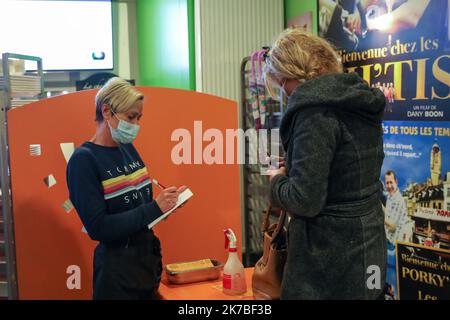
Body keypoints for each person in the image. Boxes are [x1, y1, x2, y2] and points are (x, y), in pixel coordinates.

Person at [264, 28, 387, 299]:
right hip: (370, 247)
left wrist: (277, 181)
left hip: (329, 261)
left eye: (282, 81)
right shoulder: (358, 98)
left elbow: (305, 200)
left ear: (294, 74)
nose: (283, 90)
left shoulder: (314, 111)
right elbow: (345, 167)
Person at [66, 77, 186, 300]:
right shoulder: (83, 161)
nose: (136, 125)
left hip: (146, 264)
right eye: (131, 117)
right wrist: (153, 208)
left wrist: (164, 207)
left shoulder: (128, 148)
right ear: (106, 112)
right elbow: (98, 227)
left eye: (139, 117)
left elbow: (140, 209)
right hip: (116, 275)